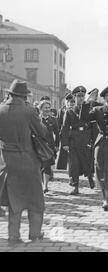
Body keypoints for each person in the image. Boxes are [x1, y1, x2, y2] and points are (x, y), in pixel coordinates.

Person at [0, 79, 47, 245]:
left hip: (7, 161)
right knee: (35, 198)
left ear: (10, 94)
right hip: (28, 160)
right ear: (24, 96)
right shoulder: (29, 111)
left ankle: (13, 236)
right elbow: (42, 132)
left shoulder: (1, 109)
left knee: (14, 200)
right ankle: (34, 233)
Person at [61, 86, 96, 195]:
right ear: (74, 97)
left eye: (82, 96)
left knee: (88, 161)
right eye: (78, 96)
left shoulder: (89, 110)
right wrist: (65, 143)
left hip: (86, 138)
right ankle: (75, 186)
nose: (81, 98)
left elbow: (94, 127)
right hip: (74, 140)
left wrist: (95, 141)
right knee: (74, 165)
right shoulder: (70, 111)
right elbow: (65, 128)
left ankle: (90, 177)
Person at [39, 100, 60, 193]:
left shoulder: (53, 119)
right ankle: (40, 183)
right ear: (41, 109)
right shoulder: (37, 119)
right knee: (39, 166)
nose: (47, 109)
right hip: (38, 146)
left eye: (48, 108)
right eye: (45, 108)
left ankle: (45, 185)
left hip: (49, 147)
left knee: (47, 166)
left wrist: (56, 145)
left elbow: (57, 133)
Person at [56, 93, 75, 174]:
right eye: (70, 102)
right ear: (66, 102)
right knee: (63, 151)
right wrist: (60, 133)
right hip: (64, 133)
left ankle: (73, 167)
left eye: (73, 102)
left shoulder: (76, 110)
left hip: (74, 134)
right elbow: (58, 123)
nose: (71, 103)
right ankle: (61, 167)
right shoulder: (62, 110)